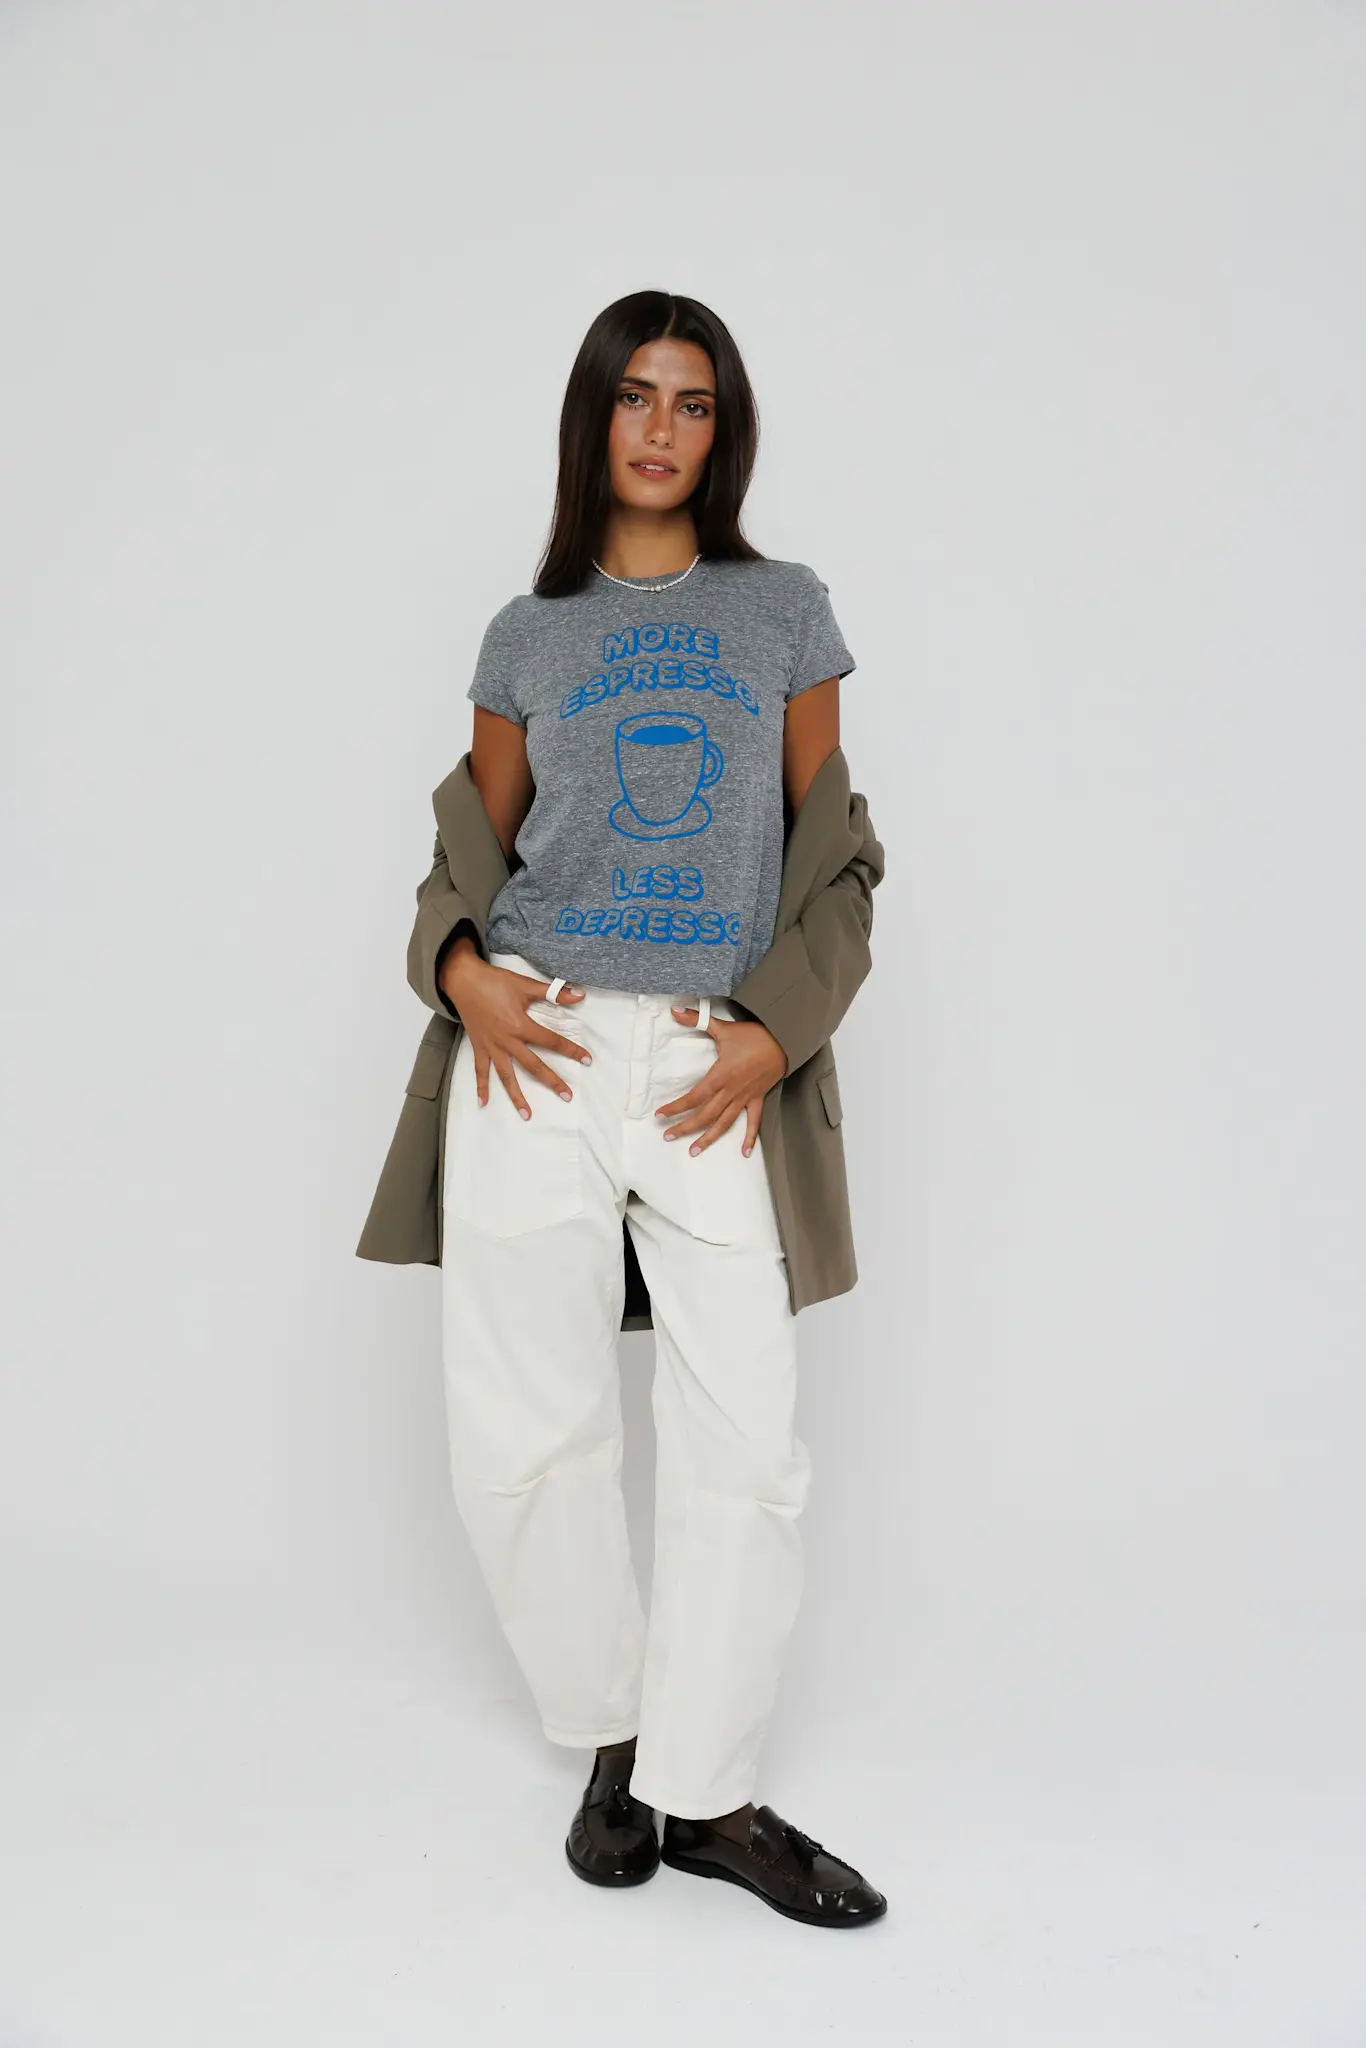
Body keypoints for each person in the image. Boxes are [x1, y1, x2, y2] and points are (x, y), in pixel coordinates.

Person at [370, 290, 886, 1926]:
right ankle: (611, 1738)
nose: (661, 429)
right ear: (591, 417)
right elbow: (470, 857)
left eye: (693, 402)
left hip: (706, 1060)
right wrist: (462, 975)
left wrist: (772, 1035)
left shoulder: (781, 611)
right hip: (537, 1046)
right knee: (527, 1430)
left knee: (749, 1438)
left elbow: (838, 859)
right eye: (635, 397)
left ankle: (708, 1790)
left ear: (723, 432)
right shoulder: (528, 635)